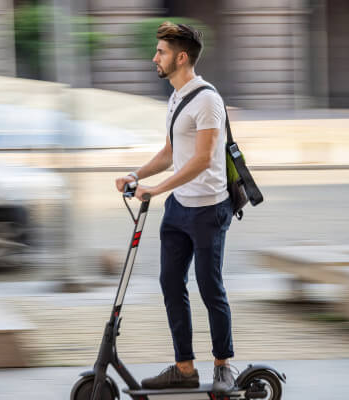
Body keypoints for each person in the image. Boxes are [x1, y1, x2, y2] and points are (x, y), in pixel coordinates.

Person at [115, 21, 235, 392]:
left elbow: (201, 160)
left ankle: (222, 365)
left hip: (208, 209)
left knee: (209, 285)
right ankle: (185, 369)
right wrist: (137, 175)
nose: (155, 58)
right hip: (179, 209)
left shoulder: (208, 101)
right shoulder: (176, 97)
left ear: (181, 58)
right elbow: (171, 153)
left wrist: (156, 190)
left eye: (161, 52)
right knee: (170, 283)